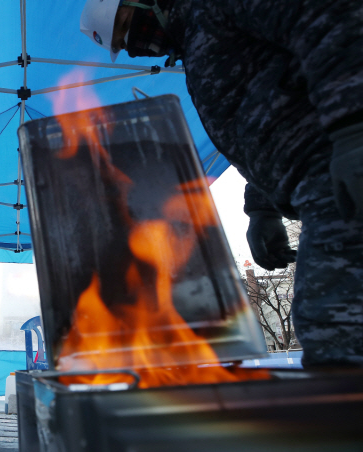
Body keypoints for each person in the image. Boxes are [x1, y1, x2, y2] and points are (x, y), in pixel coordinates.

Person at [80, 0, 363, 367]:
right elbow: (259, 123)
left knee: (334, 329)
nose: (138, 44)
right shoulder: (195, 47)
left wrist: (352, 126)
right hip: (317, 186)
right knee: (330, 329)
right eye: (125, 43)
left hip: (335, 166)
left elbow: (328, 17)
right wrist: (262, 206)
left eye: (129, 25)